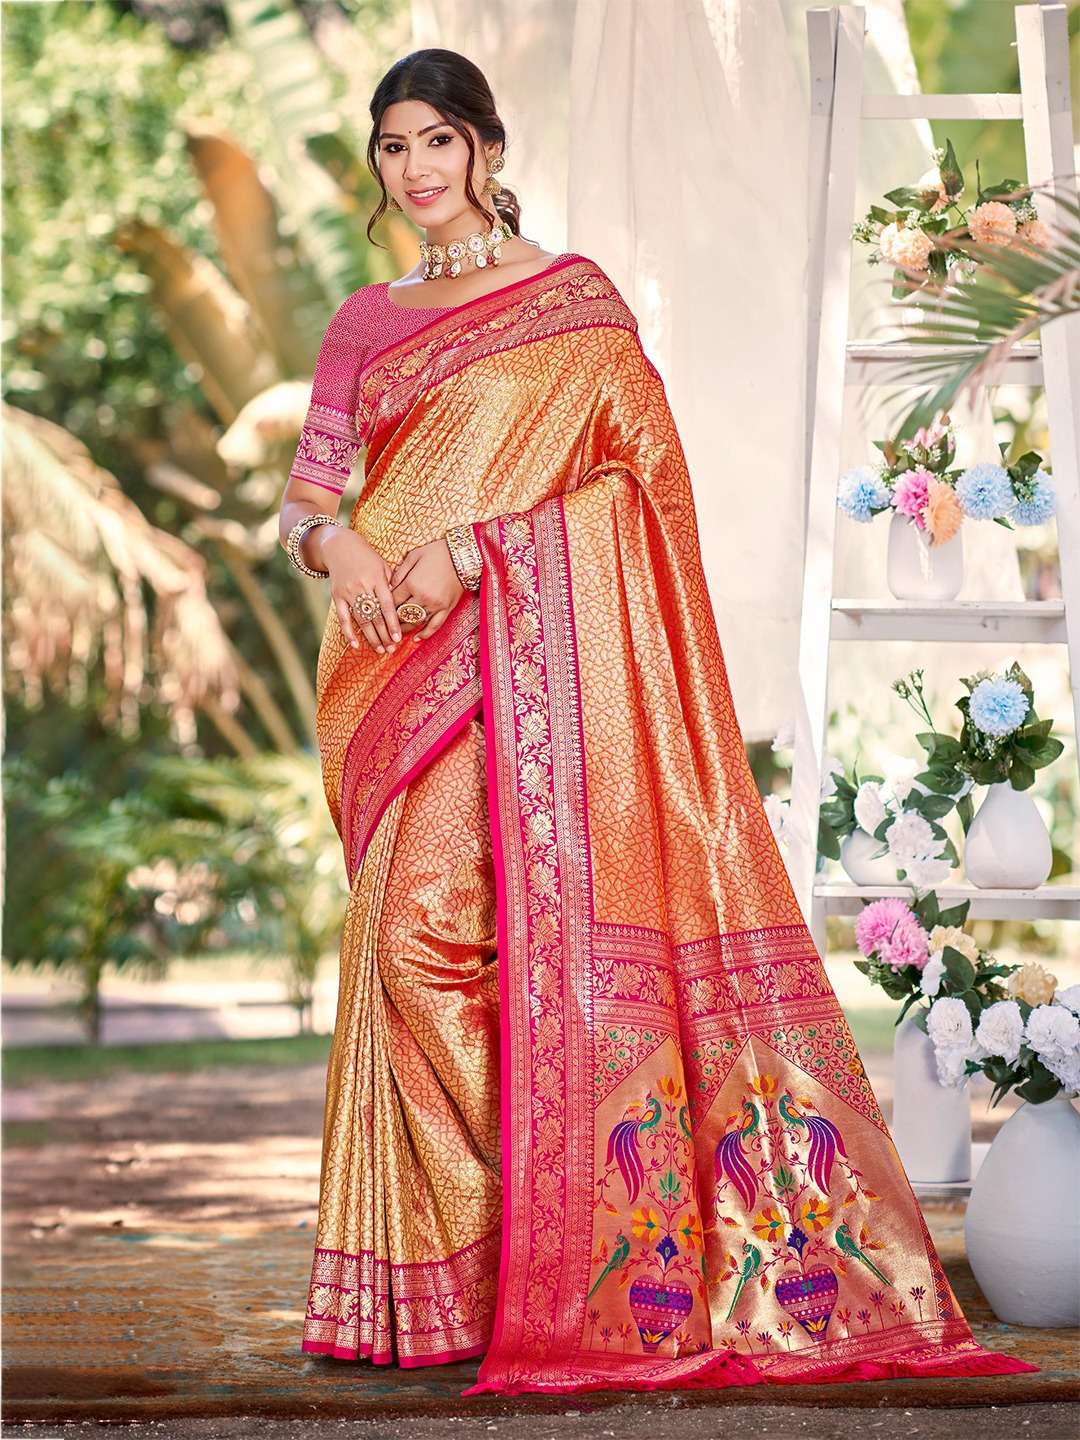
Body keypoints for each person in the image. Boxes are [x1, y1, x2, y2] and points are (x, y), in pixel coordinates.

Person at [278, 47, 1038, 1398]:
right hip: (399, 674)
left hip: (535, 663)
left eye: (439, 139)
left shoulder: (573, 302)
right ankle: (475, 1265)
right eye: (394, 145)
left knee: (485, 945)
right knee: (405, 940)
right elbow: (307, 498)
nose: (418, 168)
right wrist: (336, 547)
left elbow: (643, 493)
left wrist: (484, 554)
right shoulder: (363, 322)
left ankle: (547, 1255)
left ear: (488, 148)